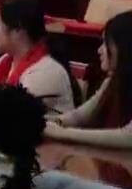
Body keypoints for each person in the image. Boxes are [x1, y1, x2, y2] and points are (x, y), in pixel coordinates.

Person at [46, 11, 132, 149]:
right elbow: (79, 116)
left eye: (106, 43)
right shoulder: (111, 81)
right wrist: (46, 122)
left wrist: (61, 133)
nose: (99, 50)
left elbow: (127, 137)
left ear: (124, 47)